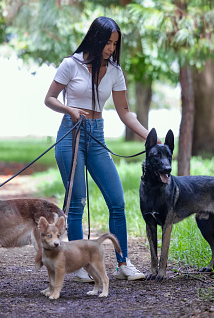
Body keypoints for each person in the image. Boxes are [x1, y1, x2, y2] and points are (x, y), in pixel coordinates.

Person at [44, 16, 150, 282]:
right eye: (108, 42)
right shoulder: (71, 64)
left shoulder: (114, 71)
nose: (111, 48)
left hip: (97, 135)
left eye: (115, 44)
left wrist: (150, 138)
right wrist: (69, 109)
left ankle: (123, 263)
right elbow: (49, 98)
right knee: (77, 202)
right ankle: (79, 266)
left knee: (117, 201)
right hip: (70, 135)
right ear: (95, 37)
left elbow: (125, 112)